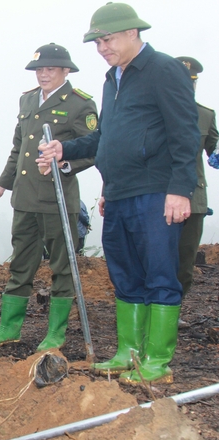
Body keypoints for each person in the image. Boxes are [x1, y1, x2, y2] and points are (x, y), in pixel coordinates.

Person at [38, 3, 199, 385]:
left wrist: (180, 190)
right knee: (125, 275)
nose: (102, 48)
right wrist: (66, 149)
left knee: (160, 274)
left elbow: (185, 132)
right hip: (121, 193)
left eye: (107, 39)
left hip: (156, 192)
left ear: (132, 32)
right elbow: (105, 137)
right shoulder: (114, 78)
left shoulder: (163, 70)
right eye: (97, 41)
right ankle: (129, 351)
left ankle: (157, 361)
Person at [0, 44, 97, 352]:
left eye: (50, 69)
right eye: (39, 70)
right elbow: (19, 148)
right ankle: (9, 328)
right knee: (21, 263)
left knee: (62, 265)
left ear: (66, 71)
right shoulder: (28, 99)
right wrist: (2, 184)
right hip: (25, 199)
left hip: (57, 200)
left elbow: (94, 149)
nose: (43, 74)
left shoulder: (79, 105)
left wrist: (64, 163)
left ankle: (56, 333)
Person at [174, 57, 218, 302]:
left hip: (194, 198)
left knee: (185, 260)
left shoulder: (205, 115)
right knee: (153, 257)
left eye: (192, 82)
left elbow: (215, 148)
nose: (188, 87)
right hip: (160, 195)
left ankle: (172, 311)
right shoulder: (154, 111)